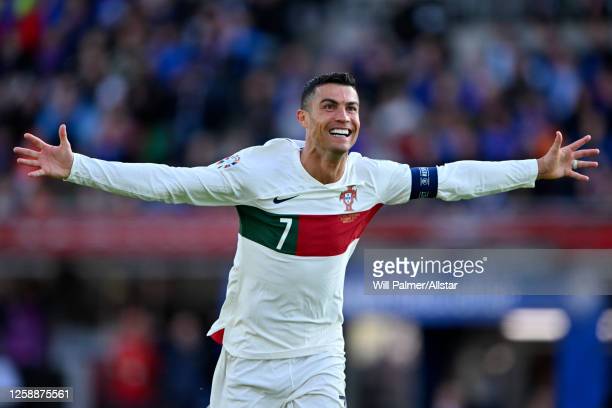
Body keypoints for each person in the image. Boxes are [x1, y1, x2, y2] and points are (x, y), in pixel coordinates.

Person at [14, 72, 599, 407]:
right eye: (330, 106)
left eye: (352, 108)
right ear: (303, 119)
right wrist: (78, 168)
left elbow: (453, 179)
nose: (343, 116)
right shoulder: (258, 170)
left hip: (319, 357)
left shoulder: (373, 178)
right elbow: (170, 184)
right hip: (248, 360)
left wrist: (534, 169)